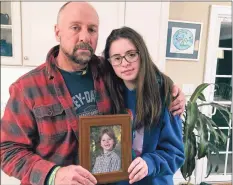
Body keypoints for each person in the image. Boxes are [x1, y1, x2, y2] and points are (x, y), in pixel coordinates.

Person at [0, 2, 185, 185]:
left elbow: (143, 75)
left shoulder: (109, 72)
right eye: (75, 27)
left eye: (92, 29)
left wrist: (172, 91)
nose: (85, 37)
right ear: (57, 32)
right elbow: (7, 150)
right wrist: (54, 175)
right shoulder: (27, 88)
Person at [102, 26, 185, 185]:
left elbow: (175, 153)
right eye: (117, 58)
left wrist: (150, 163)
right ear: (110, 62)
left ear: (142, 54)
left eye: (131, 55)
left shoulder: (166, 94)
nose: (124, 63)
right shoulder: (106, 92)